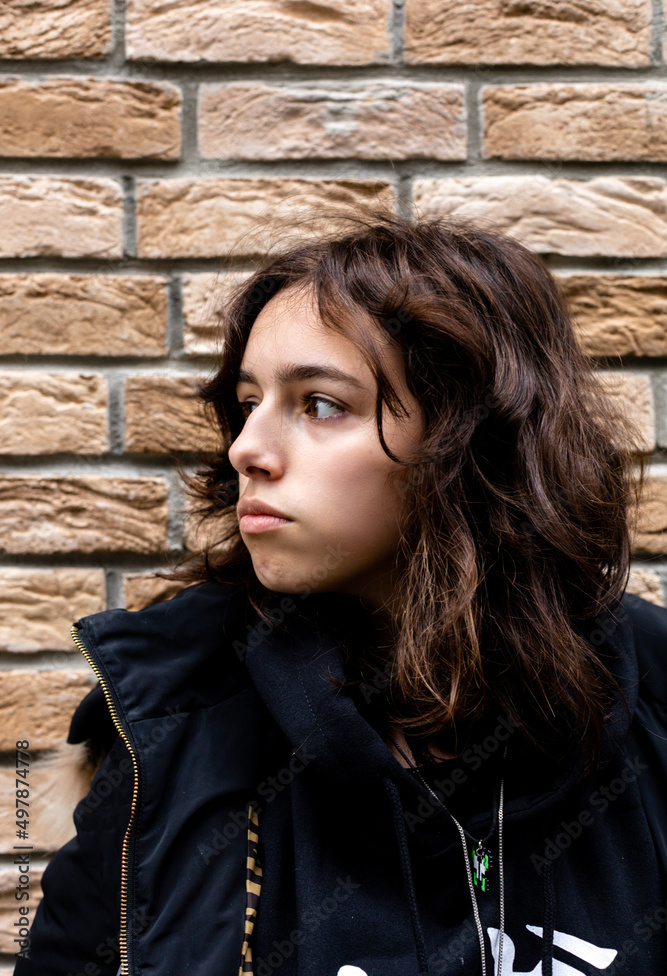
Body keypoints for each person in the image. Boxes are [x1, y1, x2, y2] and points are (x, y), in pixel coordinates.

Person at [15, 213, 667, 976]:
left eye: (320, 404)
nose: (245, 449)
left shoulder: (650, 702)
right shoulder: (179, 726)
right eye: (249, 399)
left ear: (469, 440)